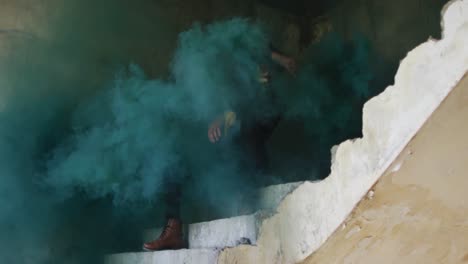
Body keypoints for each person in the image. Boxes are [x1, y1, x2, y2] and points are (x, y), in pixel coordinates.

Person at [143, 46, 296, 251]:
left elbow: (256, 116)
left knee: (248, 136)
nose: (261, 72)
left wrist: (283, 60)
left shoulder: (269, 100)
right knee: (172, 161)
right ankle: (173, 229)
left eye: (263, 67)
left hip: (245, 168)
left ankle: (253, 202)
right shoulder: (224, 91)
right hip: (219, 160)